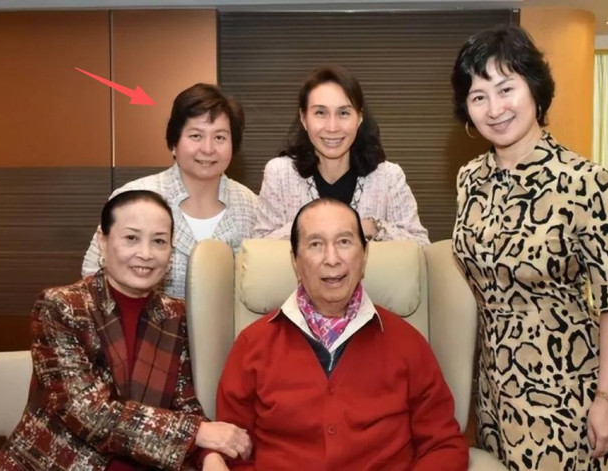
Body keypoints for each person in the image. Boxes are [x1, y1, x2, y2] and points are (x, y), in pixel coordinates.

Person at [451, 25, 608, 470]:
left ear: (535, 90)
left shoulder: (587, 183)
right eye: (479, 95)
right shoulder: (470, 179)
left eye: (506, 88)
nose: (495, 108)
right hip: (495, 387)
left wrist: (607, 398)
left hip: (567, 387)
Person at [0, 190, 251, 471]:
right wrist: (196, 433)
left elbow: (185, 403)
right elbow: (88, 413)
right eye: (131, 238)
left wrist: (209, 456)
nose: (146, 254)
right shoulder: (62, 306)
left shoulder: (175, 315)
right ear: (103, 242)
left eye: (159, 241)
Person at [218, 198, 467, 470]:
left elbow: (443, 445)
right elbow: (231, 449)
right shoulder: (252, 344)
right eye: (315, 244)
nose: (332, 259)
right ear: (295, 261)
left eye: (344, 242)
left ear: (364, 255)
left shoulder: (407, 342)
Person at [82, 84, 258, 300]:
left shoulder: (252, 206)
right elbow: (92, 274)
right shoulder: (134, 196)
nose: (208, 148)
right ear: (174, 142)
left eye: (220, 137)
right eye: (196, 136)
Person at [253, 65, 429, 245]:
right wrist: (311, 226)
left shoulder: (389, 177)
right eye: (320, 113)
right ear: (304, 118)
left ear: (359, 118)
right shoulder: (279, 173)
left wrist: (373, 227)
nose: (332, 127)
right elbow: (259, 247)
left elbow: (421, 246)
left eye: (343, 113)